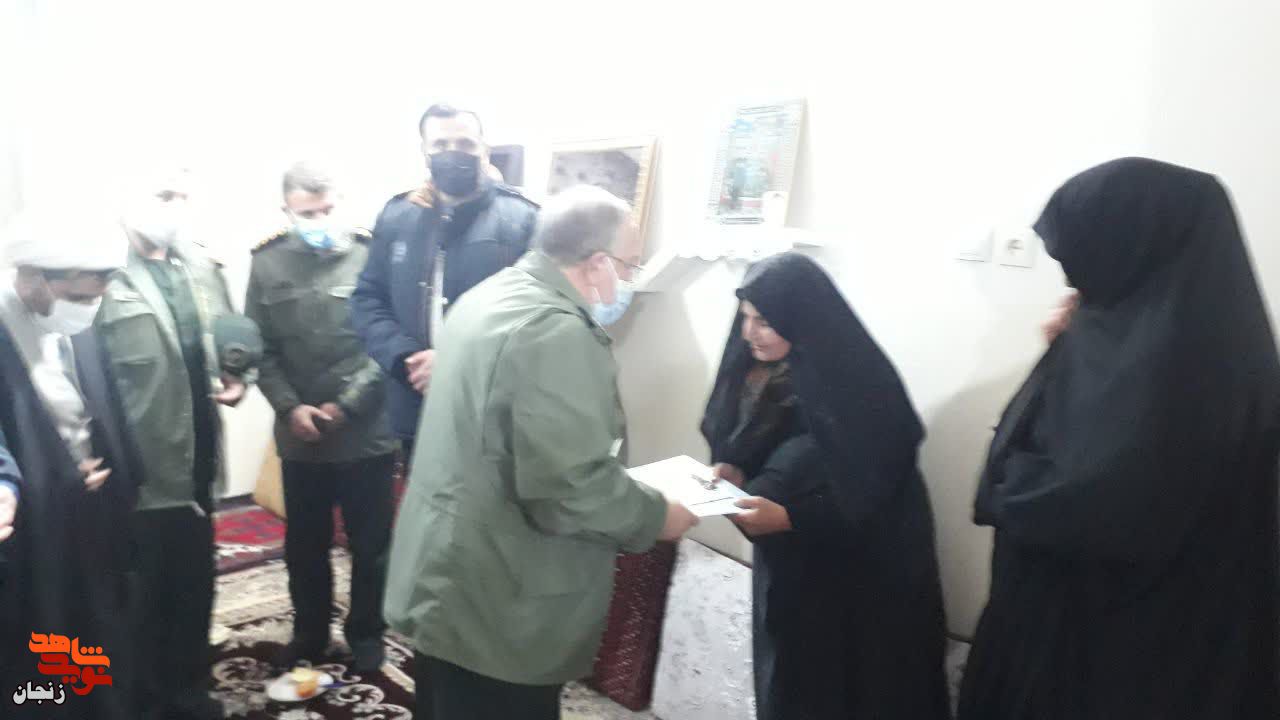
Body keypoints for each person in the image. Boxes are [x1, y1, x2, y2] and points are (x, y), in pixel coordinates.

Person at [958, 158, 1280, 720]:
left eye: (1082, 263)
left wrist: (1006, 478)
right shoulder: (1215, 342)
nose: (1072, 285)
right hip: (1164, 639)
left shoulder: (1174, 372)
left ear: (1129, 252)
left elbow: (1078, 501)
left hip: (1107, 648)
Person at [384, 186, 699, 720]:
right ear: (597, 263)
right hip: (501, 603)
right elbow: (567, 489)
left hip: (450, 576)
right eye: (630, 265)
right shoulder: (555, 331)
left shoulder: (489, 296)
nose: (630, 279)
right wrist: (657, 516)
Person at [700, 252, 952, 720]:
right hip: (794, 568)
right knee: (796, 681)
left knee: (863, 687)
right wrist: (734, 470)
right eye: (745, 318)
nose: (749, 333)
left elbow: (879, 481)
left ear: (802, 317)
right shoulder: (761, 371)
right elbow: (743, 437)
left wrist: (794, 516)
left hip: (866, 574)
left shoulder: (855, 381)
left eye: (765, 321)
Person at [94, 168, 249, 720]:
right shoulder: (100, 270)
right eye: (163, 195)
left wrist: (240, 377)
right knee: (140, 596)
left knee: (194, 586)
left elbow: (230, 337)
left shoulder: (200, 264)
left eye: (183, 195)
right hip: (139, 468)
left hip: (198, 461)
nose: (175, 207)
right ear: (127, 195)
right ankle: (144, 702)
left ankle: (189, 693)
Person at [245, 162, 399, 673]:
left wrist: (347, 405)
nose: (320, 221)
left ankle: (367, 635)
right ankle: (309, 633)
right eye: (307, 213)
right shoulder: (267, 262)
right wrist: (290, 408)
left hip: (366, 431)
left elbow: (389, 341)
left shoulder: (372, 254)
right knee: (304, 545)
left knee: (371, 546)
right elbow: (259, 347)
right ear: (287, 211)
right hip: (301, 435)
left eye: (327, 209)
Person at [0, 210, 141, 719]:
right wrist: (53, 476)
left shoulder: (72, 315)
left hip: (93, 508)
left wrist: (105, 465)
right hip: (31, 530)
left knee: (101, 631)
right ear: (31, 276)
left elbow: (96, 402)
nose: (88, 309)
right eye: (78, 297)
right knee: (41, 650)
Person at [351, 104, 537, 453]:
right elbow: (368, 299)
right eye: (440, 145)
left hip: (492, 408)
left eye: (465, 144)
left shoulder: (523, 220)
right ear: (425, 151)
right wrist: (405, 358)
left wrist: (454, 363)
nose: (454, 153)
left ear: (484, 149)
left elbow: (537, 318)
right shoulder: (397, 216)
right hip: (415, 401)